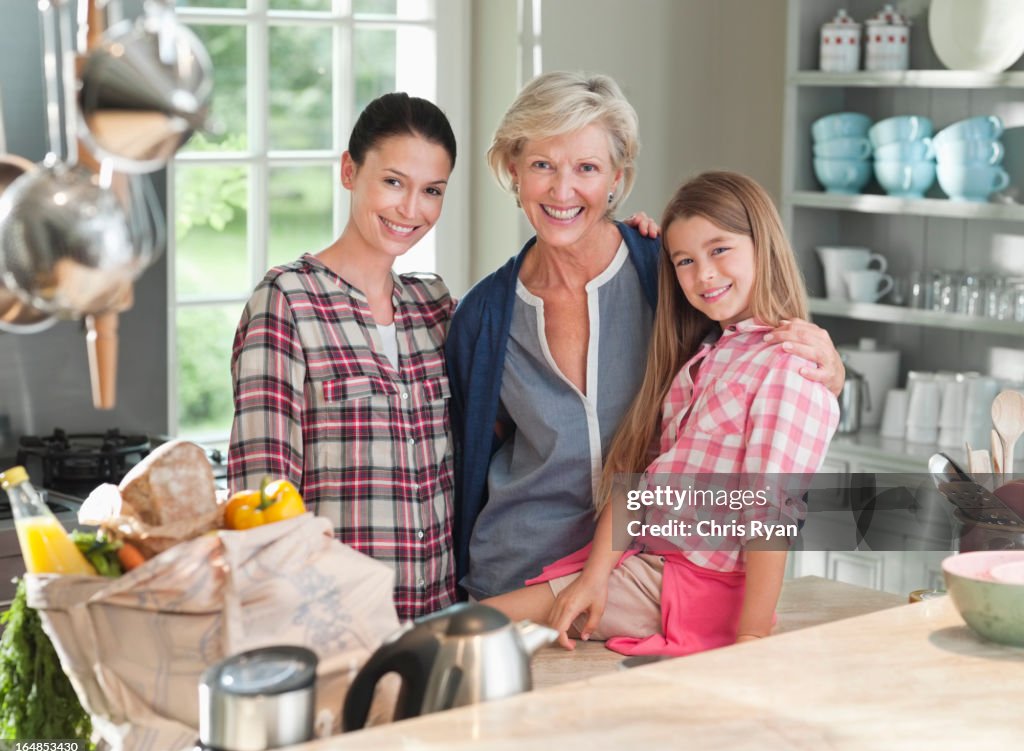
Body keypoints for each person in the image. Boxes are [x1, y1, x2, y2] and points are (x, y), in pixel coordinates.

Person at [446, 72, 844, 601]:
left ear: (616, 178)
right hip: (513, 579)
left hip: (650, 584)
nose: (563, 190)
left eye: (587, 168)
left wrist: (830, 375)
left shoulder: (670, 272)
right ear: (514, 170)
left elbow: (761, 395)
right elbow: (469, 458)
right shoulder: (484, 316)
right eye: (542, 165)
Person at [484, 171, 840, 656]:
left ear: (763, 244)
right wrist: (594, 576)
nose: (704, 275)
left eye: (719, 250)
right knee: (484, 623)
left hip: (689, 588)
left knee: (479, 625)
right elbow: (643, 483)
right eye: (685, 261)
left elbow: (770, 514)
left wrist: (753, 638)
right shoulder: (708, 357)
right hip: (647, 565)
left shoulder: (787, 367)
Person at [228, 92, 458, 620]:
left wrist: (628, 247)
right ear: (350, 171)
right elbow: (262, 501)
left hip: (438, 625)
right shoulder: (286, 301)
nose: (411, 209)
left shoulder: (434, 306)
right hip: (334, 630)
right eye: (393, 182)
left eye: (432, 191)